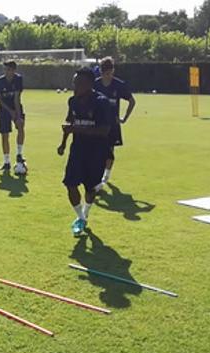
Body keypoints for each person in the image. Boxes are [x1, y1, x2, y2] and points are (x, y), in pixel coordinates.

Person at [58, 67, 113, 236]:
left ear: (89, 84)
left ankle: (85, 212)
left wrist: (77, 129)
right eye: (74, 83)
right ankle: (81, 217)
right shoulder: (72, 101)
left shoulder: (101, 102)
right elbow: (69, 124)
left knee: (90, 189)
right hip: (78, 149)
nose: (75, 87)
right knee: (70, 183)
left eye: (79, 83)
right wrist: (63, 144)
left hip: (96, 151)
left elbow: (104, 130)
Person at [92, 57, 135, 191]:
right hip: (97, 125)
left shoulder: (119, 85)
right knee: (96, 151)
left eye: (110, 73)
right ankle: (96, 177)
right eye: (105, 73)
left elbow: (132, 101)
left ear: (113, 71)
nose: (108, 76)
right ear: (101, 72)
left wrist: (124, 118)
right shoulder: (95, 84)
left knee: (109, 151)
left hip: (112, 125)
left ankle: (105, 176)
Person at [0, 60, 26, 172]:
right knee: (4, 135)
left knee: (20, 127)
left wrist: (17, 115)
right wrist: (9, 111)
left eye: (9, 69)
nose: (7, 72)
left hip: (16, 107)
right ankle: (6, 161)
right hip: (4, 110)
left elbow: (17, 98)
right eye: (5, 69)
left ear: (14, 70)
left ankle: (19, 154)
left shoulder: (18, 79)